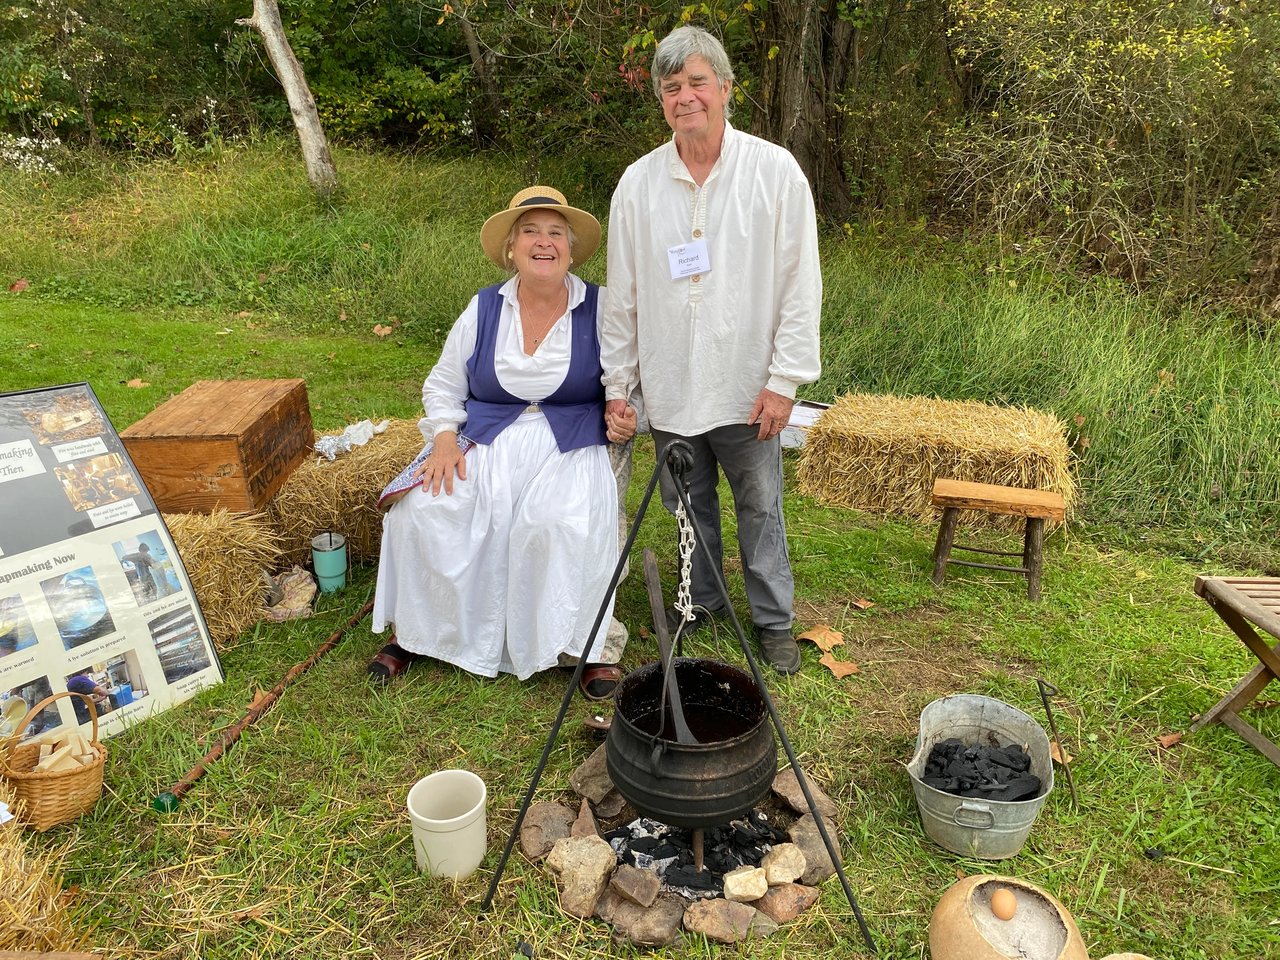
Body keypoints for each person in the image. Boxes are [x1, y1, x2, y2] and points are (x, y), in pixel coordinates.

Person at [600, 26, 822, 675]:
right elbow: (623, 299)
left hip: (747, 384)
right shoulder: (639, 186)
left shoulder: (773, 172)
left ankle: (774, 620)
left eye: (697, 82)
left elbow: (799, 284)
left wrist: (785, 379)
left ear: (725, 89)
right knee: (686, 505)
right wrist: (622, 386)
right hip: (671, 386)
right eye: (672, 87)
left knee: (760, 503)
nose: (685, 96)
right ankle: (703, 602)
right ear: (662, 101)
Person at [369, 186, 636, 691]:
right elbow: (445, 383)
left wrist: (624, 413)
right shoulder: (483, 307)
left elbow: (625, 379)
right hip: (487, 438)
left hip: (568, 442)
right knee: (422, 512)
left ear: (571, 250)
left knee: (559, 523)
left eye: (556, 232)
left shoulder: (601, 307)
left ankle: (582, 644)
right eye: (530, 232)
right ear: (511, 248)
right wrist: (444, 438)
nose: (544, 242)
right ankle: (420, 634)